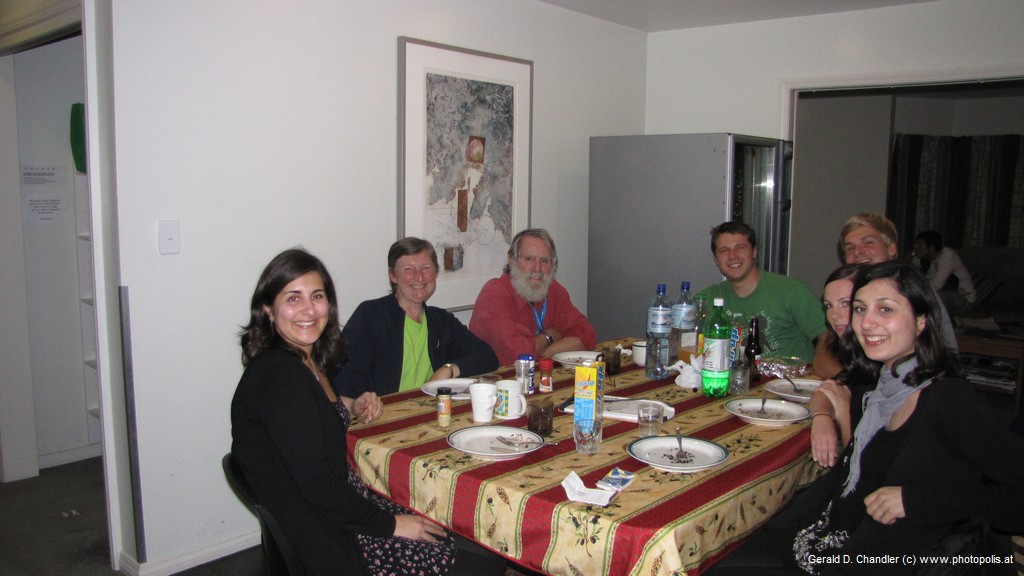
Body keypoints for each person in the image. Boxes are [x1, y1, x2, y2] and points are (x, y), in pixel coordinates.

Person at [712, 262, 1024, 575]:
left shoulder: (948, 400)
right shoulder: (879, 382)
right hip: (829, 536)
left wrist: (918, 501)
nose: (867, 323)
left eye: (885, 310)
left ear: (921, 321)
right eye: (860, 309)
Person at [231, 248, 503, 576]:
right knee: (473, 564)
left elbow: (312, 418)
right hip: (331, 537)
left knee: (447, 532)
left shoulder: (304, 362)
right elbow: (323, 490)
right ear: (268, 310)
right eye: (293, 298)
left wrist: (350, 405)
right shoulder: (280, 377)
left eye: (316, 296)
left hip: (340, 508)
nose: (308, 309)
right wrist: (392, 525)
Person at [332, 237, 497, 397]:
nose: (419, 277)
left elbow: (487, 356)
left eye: (426, 268)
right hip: (383, 416)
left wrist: (449, 369)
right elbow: (346, 376)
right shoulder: (370, 315)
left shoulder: (440, 320)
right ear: (392, 275)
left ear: (435, 272)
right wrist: (364, 401)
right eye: (408, 269)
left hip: (429, 412)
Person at [698, 221, 826, 363]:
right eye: (724, 250)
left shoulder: (791, 290)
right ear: (716, 259)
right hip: (735, 381)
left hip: (790, 382)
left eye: (740, 248)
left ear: (754, 252)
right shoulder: (706, 299)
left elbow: (827, 337)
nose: (732, 256)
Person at [469, 228, 597, 365]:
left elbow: (586, 334)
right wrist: (549, 336)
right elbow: (517, 356)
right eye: (529, 259)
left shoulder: (553, 290)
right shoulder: (494, 294)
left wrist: (545, 353)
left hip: (540, 379)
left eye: (544, 261)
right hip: (496, 383)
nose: (537, 269)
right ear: (511, 260)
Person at [838, 212, 958, 349]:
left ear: (891, 248)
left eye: (868, 243)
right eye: (850, 248)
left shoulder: (912, 287)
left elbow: (945, 345)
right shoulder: (847, 291)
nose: (858, 251)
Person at [810, 264, 861, 380]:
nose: (834, 315)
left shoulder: (880, 355)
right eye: (829, 306)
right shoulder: (843, 347)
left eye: (845, 303)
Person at [913, 230, 976, 316]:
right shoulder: (923, 260)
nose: (916, 248)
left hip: (964, 298)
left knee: (937, 297)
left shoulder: (947, 255)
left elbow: (937, 284)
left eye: (919, 244)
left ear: (931, 247)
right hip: (943, 293)